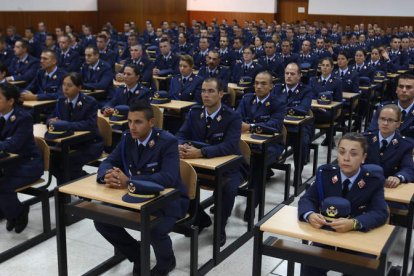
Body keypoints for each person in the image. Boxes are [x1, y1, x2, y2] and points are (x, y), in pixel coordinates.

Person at [94, 100, 189, 276]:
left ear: (151, 122)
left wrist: (129, 180)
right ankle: (137, 254)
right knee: (101, 219)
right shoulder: (127, 138)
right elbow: (109, 161)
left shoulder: (167, 141)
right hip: (135, 196)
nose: (132, 127)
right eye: (129, 121)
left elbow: (168, 177)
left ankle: (167, 261)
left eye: (138, 122)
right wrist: (105, 175)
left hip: (167, 200)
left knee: (153, 229)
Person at [298, 132, 389, 276]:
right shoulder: (326, 174)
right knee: (309, 263)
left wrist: (354, 223)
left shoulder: (373, 180)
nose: (346, 158)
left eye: (353, 154)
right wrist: (309, 215)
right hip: (327, 235)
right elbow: (307, 199)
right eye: (342, 152)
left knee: (361, 268)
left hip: (357, 237)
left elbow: (380, 212)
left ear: (363, 158)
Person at [176, 77, 243, 246]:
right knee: (178, 179)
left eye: (211, 91)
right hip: (200, 166)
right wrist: (181, 146)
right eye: (203, 91)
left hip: (229, 167)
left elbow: (229, 145)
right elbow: (181, 135)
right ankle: (199, 217)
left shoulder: (232, 117)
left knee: (227, 188)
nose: (206, 95)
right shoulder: (194, 112)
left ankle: (220, 226)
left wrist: (201, 152)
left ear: (221, 94)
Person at [236, 71, 286, 219]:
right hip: (247, 143)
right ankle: (224, 197)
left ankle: (251, 206)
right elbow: (236, 119)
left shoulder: (278, 103)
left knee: (257, 164)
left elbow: (275, 125)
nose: (258, 86)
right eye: (256, 83)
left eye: (263, 83)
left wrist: (250, 126)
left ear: (271, 86)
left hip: (270, 145)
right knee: (227, 162)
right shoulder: (247, 99)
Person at [0, 83, 43, 233]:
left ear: (10, 101)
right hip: (7, 163)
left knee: (3, 186)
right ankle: (8, 211)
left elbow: (14, 145)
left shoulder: (23, 117)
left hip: (27, 164)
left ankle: (19, 212)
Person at [48, 72, 103, 184]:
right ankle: (74, 186)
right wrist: (50, 121)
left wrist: (65, 124)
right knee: (51, 160)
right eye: (64, 84)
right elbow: (50, 118)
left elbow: (90, 125)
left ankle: (82, 186)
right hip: (67, 142)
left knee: (69, 161)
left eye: (70, 85)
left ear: (79, 87)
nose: (65, 88)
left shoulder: (89, 102)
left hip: (89, 143)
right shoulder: (61, 101)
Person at [273, 62, 313, 174]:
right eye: (286, 73)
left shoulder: (306, 90)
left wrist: (280, 111)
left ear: (299, 75)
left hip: (298, 128)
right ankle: (266, 169)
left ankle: (298, 174)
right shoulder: (277, 88)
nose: (289, 76)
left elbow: (303, 109)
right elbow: (271, 107)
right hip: (280, 126)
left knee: (302, 141)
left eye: (292, 73)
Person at [364, 104, 414, 185]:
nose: (385, 123)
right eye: (382, 119)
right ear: (378, 120)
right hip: (365, 183)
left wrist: (398, 177)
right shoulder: (365, 140)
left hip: (388, 187)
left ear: (398, 124)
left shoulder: (405, 145)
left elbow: (408, 169)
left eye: (390, 120)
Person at [369, 74, 414, 140]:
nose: (404, 90)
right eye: (401, 87)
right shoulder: (384, 108)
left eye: (408, 87)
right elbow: (372, 131)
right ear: (396, 90)